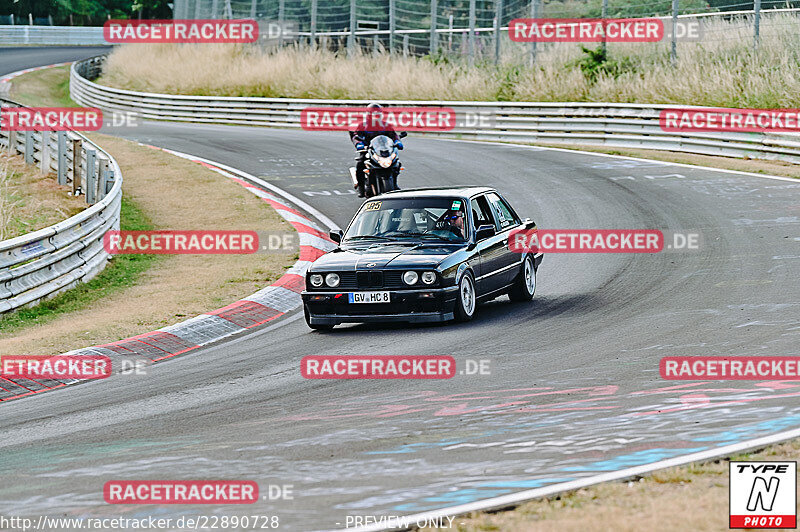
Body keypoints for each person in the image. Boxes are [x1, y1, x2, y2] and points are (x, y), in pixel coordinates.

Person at [349, 103, 405, 197]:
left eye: (377, 114)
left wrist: (397, 141)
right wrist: (359, 144)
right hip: (368, 150)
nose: (375, 116)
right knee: (360, 165)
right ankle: (362, 188)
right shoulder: (363, 126)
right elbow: (356, 136)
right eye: (373, 114)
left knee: (396, 164)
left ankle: (394, 184)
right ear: (369, 115)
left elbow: (393, 135)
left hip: (383, 151)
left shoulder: (385, 125)